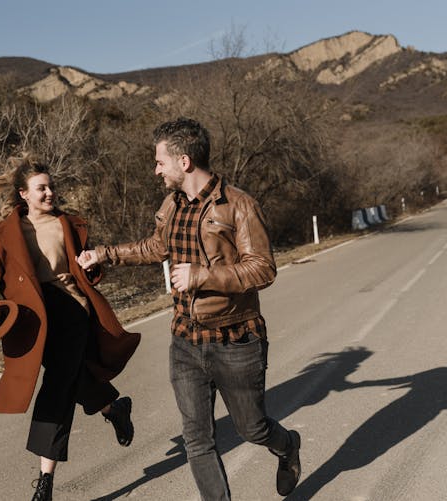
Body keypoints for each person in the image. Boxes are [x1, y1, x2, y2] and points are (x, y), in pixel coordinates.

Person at [77, 118, 301, 500]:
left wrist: (202, 276)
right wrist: (104, 254)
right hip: (185, 341)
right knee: (196, 439)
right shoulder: (173, 204)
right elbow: (154, 247)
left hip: (235, 339)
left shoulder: (240, 205)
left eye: (159, 161)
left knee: (251, 428)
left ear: (184, 161)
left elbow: (263, 268)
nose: (155, 169)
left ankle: (287, 446)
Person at [0, 153, 140, 501]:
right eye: (41, 188)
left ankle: (45, 482)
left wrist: (90, 266)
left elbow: (88, 271)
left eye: (51, 187)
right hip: (33, 322)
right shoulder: (5, 234)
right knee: (71, 379)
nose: (49, 193)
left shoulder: (67, 224)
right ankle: (113, 408)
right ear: (23, 194)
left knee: (57, 386)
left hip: (73, 310)